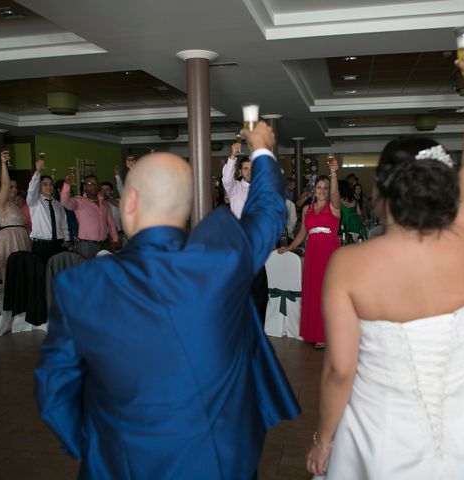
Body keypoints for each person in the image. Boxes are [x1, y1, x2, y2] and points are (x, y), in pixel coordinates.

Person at [306, 50, 464, 479]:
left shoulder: (349, 265)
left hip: (383, 424)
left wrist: (324, 440)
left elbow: (340, 371)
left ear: (382, 194)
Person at [34, 121, 300, 479]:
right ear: (187, 209)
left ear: (129, 202)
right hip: (218, 465)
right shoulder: (219, 262)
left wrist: (99, 446)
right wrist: (264, 149)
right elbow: (268, 212)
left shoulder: (81, 285)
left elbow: (55, 388)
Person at [278, 163, 340, 349]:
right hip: (312, 252)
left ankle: (326, 333)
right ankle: (313, 331)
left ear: (329, 191)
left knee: (327, 291)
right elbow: (302, 233)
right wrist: (289, 247)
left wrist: (333, 173)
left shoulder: (334, 207)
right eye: (319, 187)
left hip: (329, 252)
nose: (322, 191)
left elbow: (336, 195)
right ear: (314, 189)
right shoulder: (307, 209)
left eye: (325, 188)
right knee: (313, 290)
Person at [222, 142, 269, 325]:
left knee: (260, 293)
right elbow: (226, 179)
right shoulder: (235, 189)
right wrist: (233, 156)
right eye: (246, 169)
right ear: (240, 171)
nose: (249, 171)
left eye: (252, 168)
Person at [61, 173, 118, 258]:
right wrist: (67, 185)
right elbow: (65, 202)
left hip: (104, 244)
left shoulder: (105, 203)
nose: (93, 186)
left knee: (102, 270)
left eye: (95, 184)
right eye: (90, 184)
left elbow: (111, 223)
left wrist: (115, 239)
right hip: (86, 245)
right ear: (84, 187)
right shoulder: (78, 201)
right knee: (87, 270)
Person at [0, 151, 31, 282]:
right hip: (9, 238)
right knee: (10, 272)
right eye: (11, 187)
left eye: (15, 187)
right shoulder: (1, 202)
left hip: (20, 238)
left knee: (22, 272)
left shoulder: (16, 205)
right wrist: (3, 164)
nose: (14, 189)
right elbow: (5, 184)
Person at [27, 158, 70, 263]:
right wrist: (38, 172)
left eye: (50, 184)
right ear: (39, 187)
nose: (49, 187)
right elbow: (32, 189)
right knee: (41, 274)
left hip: (58, 244)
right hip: (41, 245)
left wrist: (67, 239)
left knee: (58, 274)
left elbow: (64, 224)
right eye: (45, 184)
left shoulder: (58, 204)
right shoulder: (34, 202)